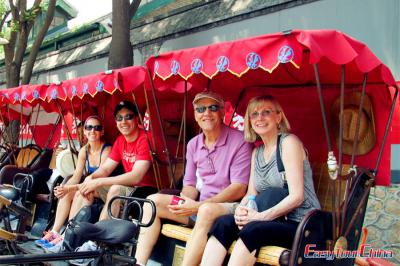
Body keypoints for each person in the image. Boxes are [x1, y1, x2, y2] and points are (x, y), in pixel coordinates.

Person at [135, 91, 253, 266]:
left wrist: (199, 206)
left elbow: (239, 188)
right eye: (201, 109)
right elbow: (190, 185)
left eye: (213, 108)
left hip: (229, 207)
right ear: (195, 115)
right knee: (152, 202)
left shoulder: (240, 141)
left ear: (222, 112)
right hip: (199, 207)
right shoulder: (193, 144)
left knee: (206, 211)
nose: (206, 113)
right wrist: (183, 204)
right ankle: (138, 262)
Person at [201, 95, 321, 266]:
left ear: (278, 117)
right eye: (254, 114)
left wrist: (259, 217)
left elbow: (297, 197)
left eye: (266, 112)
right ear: (249, 121)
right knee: (223, 223)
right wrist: (242, 211)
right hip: (271, 218)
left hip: (301, 223)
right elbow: (251, 194)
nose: (260, 118)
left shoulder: (288, 143)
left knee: (253, 229)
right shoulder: (257, 153)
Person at [35, 116, 111, 252]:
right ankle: (55, 231)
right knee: (67, 192)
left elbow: (101, 176)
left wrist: (71, 188)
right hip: (90, 184)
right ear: (85, 131)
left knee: (81, 192)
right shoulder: (84, 150)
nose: (92, 131)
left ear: (102, 132)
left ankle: (67, 236)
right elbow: (76, 176)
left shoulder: (106, 150)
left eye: (97, 128)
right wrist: (64, 188)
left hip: (105, 187)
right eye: (89, 127)